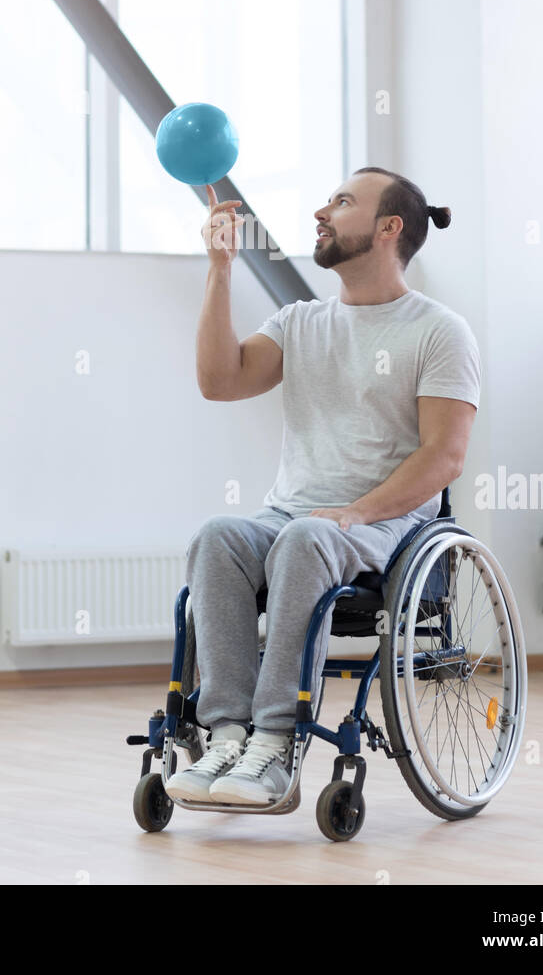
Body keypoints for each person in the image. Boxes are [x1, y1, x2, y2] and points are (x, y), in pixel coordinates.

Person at [164, 167, 481, 807]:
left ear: (389, 227)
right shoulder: (301, 322)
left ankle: (277, 742)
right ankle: (226, 733)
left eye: (341, 202)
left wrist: (356, 513)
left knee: (309, 537)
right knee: (218, 536)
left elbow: (444, 457)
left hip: (388, 526)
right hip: (294, 518)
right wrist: (219, 270)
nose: (322, 211)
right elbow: (219, 380)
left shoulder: (439, 330)